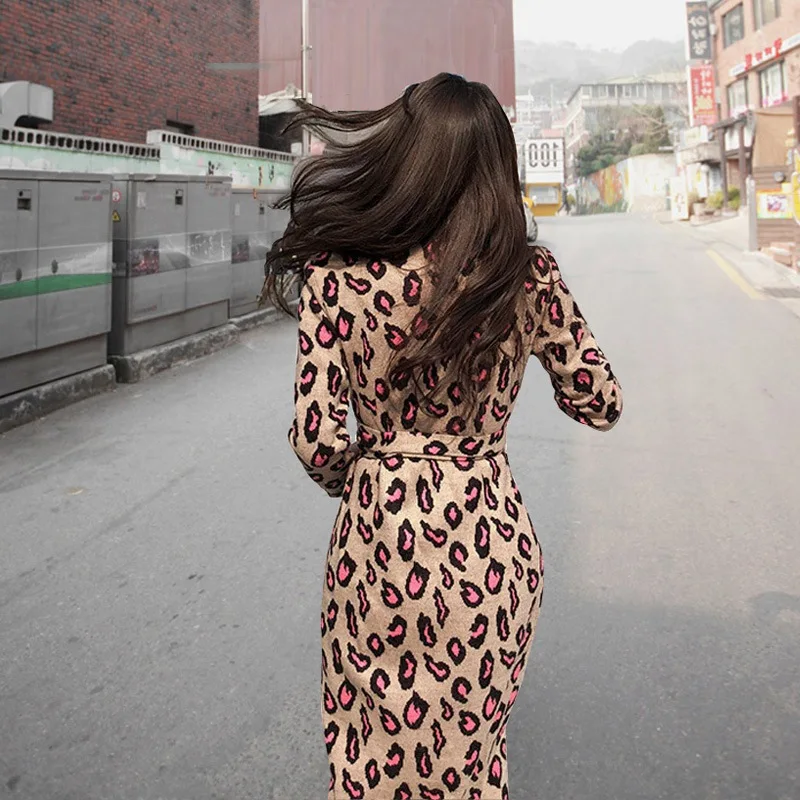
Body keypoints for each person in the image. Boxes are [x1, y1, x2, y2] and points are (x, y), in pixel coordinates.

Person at [265, 72, 622, 800]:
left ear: (405, 157)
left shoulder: (336, 277)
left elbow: (314, 438)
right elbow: (600, 403)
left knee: (369, 756)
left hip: (376, 544)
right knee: (468, 759)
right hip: (489, 544)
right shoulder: (528, 275)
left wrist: (374, 475)